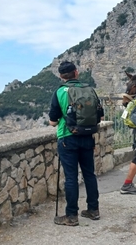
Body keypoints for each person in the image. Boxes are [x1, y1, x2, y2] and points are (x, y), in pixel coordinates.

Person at [49, 61, 103, 226]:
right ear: (76, 73)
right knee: (89, 174)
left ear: (61, 76)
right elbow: (100, 117)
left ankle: (71, 216)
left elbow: (52, 121)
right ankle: (93, 210)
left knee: (71, 178)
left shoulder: (60, 92)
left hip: (67, 138)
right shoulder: (89, 90)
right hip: (87, 137)